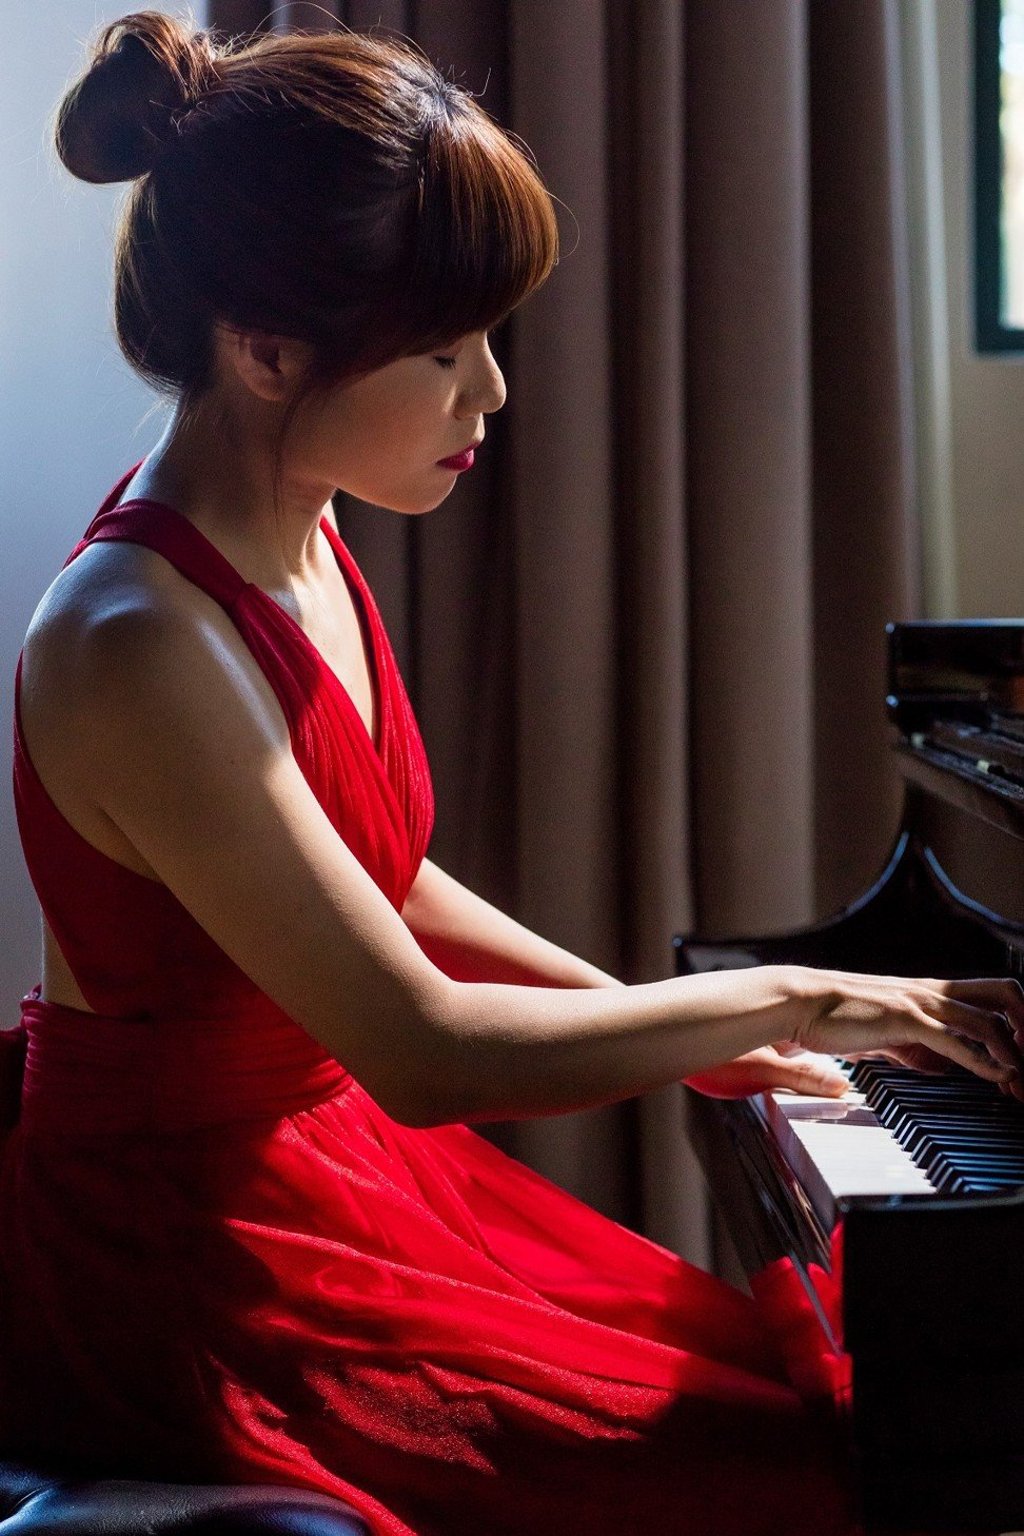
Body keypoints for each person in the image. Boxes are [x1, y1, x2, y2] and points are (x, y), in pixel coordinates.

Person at [2, 13, 1021, 1535]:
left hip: (329, 1176)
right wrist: (799, 1001)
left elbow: (377, 877)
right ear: (268, 348)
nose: (490, 394)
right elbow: (424, 1050)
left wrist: (659, 1029)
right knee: (806, 1485)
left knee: (835, 1402)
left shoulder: (292, 523)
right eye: (445, 348)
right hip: (194, 1255)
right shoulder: (138, 639)